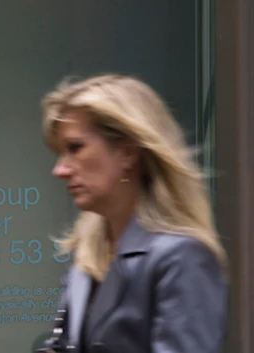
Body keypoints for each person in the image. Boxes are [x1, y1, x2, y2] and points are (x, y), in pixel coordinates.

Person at [39, 74, 228, 353]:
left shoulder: (182, 258)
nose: (60, 170)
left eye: (75, 148)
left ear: (126, 152)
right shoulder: (87, 259)